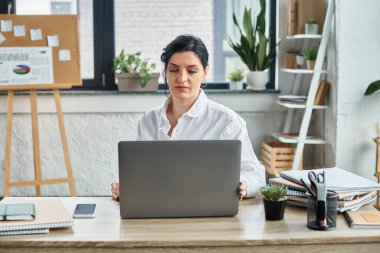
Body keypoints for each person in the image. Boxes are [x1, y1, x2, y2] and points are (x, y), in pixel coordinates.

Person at [111, 34, 265, 201]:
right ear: (166, 73)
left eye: (191, 71)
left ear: (205, 73)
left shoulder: (228, 122)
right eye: (174, 70)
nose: (182, 78)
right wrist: (125, 184)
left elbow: (255, 174)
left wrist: (243, 185)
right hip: (156, 209)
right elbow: (138, 172)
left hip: (208, 210)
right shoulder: (149, 121)